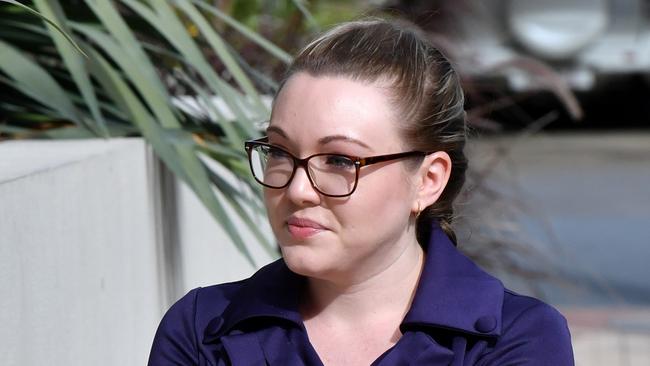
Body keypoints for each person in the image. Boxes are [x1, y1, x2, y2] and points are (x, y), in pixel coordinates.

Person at [148, 18, 574, 365]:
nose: (298, 189)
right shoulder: (202, 331)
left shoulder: (514, 341)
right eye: (279, 151)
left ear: (428, 180)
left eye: (339, 160)